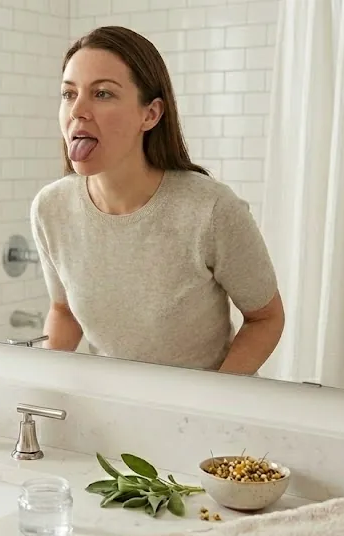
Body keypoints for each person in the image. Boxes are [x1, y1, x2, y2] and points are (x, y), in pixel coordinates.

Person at [31, 26, 285, 375]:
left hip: (204, 413)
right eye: (68, 93)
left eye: (102, 94)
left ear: (150, 114)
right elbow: (63, 311)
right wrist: (43, 383)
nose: (78, 110)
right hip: (115, 407)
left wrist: (217, 399)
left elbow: (266, 318)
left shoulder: (210, 209)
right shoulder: (50, 208)